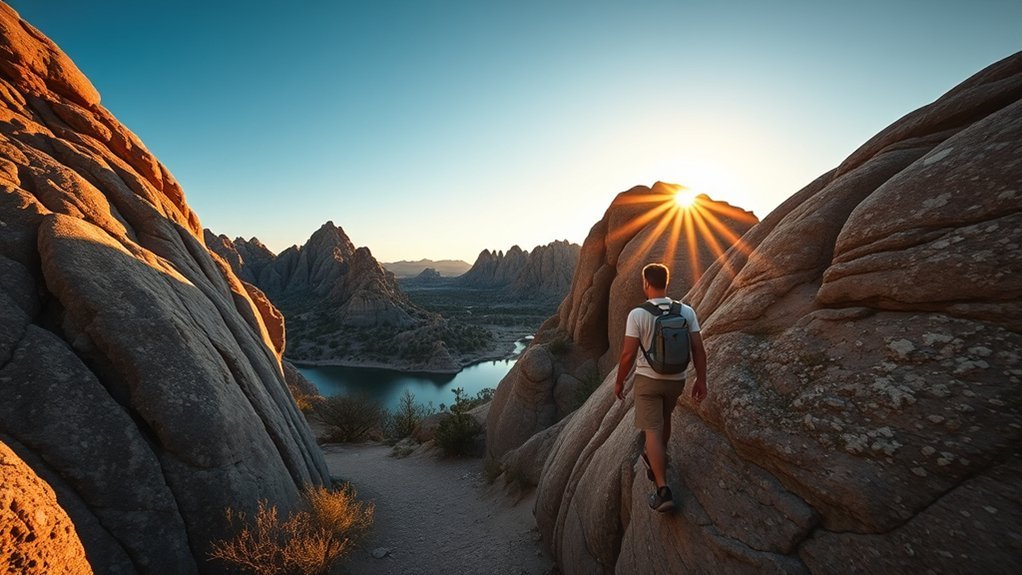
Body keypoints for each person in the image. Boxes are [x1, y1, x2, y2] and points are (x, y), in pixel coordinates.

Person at [614, 263, 707, 512]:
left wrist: (620, 380)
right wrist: (701, 379)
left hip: (648, 380)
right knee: (664, 420)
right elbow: (698, 348)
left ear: (646, 283)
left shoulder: (638, 314)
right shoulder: (686, 311)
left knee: (652, 431)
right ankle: (656, 457)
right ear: (666, 282)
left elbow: (627, 354)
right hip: (676, 380)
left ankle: (662, 489)